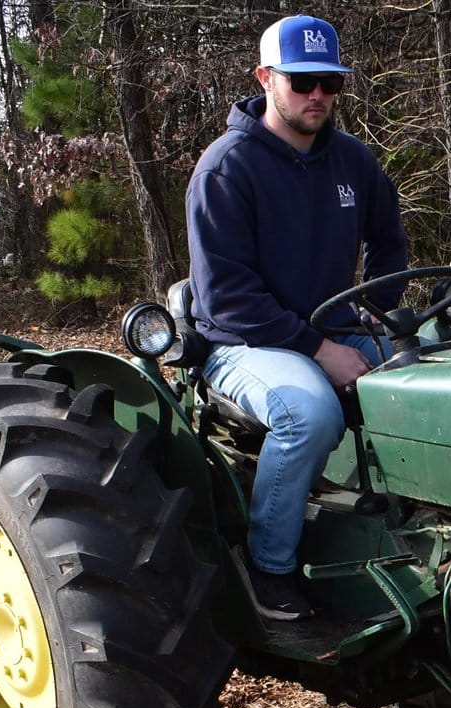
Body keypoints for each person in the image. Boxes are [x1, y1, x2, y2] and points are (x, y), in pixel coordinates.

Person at [186, 14, 407, 621]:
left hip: (332, 328)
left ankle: (420, 541)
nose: (317, 95)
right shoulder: (226, 168)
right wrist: (320, 350)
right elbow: (227, 297)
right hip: (242, 344)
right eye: (302, 81)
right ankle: (269, 568)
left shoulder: (353, 162)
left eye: (330, 83)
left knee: (437, 377)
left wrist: (380, 315)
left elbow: (389, 243)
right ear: (266, 79)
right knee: (308, 414)